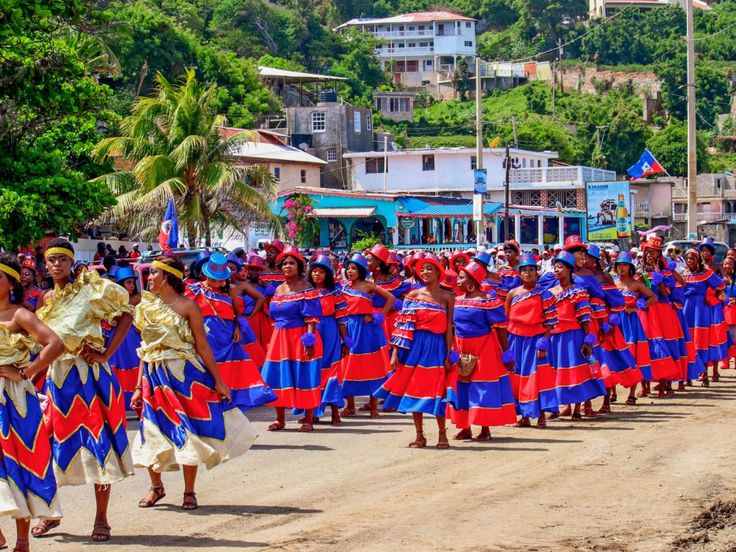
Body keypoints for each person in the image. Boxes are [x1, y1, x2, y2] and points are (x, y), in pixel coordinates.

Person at [130, 256, 257, 511]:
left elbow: (202, 345)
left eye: (154, 273)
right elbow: (145, 349)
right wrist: (136, 387)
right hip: (153, 376)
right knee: (151, 430)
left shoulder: (188, 306)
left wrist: (219, 381)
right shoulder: (144, 307)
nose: (149, 278)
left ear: (167, 277)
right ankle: (156, 487)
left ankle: (189, 491)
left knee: (187, 431)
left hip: (185, 376)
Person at [34, 238, 134, 542]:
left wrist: (106, 353)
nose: (56, 265)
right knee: (46, 447)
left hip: (90, 377)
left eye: (62, 259)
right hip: (58, 377)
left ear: (71, 261)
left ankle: (101, 519)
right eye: (52, 260)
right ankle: (48, 513)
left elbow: (125, 315)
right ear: (46, 264)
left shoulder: (91, 291)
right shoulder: (45, 299)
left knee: (98, 444)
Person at [0, 254, 65, 552]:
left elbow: (55, 343)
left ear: (11, 283)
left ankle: (22, 540)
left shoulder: (20, 315)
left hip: (15, 398)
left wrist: (27, 371)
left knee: (20, 461)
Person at [375, 254, 455, 449]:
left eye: (430, 268)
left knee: (438, 390)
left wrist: (448, 353)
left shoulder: (447, 297)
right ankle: (419, 435)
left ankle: (442, 435)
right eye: (423, 269)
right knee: (414, 389)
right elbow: (403, 327)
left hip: (437, 348)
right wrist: (395, 353)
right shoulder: (413, 296)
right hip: (414, 348)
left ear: (438, 272)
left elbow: (449, 328)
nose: (425, 272)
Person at [185, 253, 276, 411]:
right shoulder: (193, 290)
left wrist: (237, 327)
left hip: (226, 338)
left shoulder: (231, 291)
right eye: (213, 278)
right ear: (205, 274)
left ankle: (227, 403)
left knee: (229, 372)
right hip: (204, 337)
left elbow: (237, 314)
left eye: (220, 279)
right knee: (205, 370)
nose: (217, 282)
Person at [447, 261, 517, 441]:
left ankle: (485, 428)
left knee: (482, 387)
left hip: (484, 349)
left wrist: (506, 352)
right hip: (461, 347)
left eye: (462, 278)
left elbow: (500, 328)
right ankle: (465, 427)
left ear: (472, 280)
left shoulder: (488, 301)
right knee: (461, 386)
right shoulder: (457, 300)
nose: (458, 281)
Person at [260, 246, 323, 432]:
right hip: (280, 338)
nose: (288, 266)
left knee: (304, 375)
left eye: (292, 263)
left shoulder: (306, 288)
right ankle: (280, 420)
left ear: (299, 266)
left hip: (300, 336)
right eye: (284, 263)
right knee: (278, 376)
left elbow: (311, 317)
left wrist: (309, 339)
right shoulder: (278, 289)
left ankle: (308, 419)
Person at [547, 251, 606, 419]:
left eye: (561, 267)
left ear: (570, 270)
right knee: (558, 371)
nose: (557, 270)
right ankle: (561, 405)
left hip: (573, 336)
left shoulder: (578, 291)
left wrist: (588, 340)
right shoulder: (550, 292)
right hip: (555, 337)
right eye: (555, 267)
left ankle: (577, 408)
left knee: (576, 370)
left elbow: (585, 317)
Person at [505, 253, 559, 428]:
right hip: (515, 340)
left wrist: (544, 340)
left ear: (537, 273)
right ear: (519, 274)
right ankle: (524, 415)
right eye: (524, 270)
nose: (528, 273)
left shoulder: (545, 294)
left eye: (531, 269)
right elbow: (506, 320)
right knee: (518, 376)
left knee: (538, 377)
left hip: (536, 339)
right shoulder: (512, 294)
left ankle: (541, 414)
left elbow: (551, 320)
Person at [339, 253, 395, 418]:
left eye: (354, 268)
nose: (350, 271)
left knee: (372, 366)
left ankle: (373, 407)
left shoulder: (369, 286)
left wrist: (379, 316)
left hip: (366, 330)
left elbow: (390, 298)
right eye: (348, 268)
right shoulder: (344, 287)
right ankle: (350, 406)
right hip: (349, 329)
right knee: (349, 366)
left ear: (361, 270)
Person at [638, 237, 686, 398]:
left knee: (664, 345)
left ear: (659, 255)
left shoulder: (666, 272)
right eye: (648, 252)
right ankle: (645, 385)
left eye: (653, 252)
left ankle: (665, 384)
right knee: (645, 345)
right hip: (645, 311)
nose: (650, 255)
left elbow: (665, 295)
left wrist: (658, 277)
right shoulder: (640, 271)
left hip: (662, 311)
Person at [305, 254, 346, 424]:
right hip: (311, 332)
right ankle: (313, 412)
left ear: (328, 274)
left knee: (331, 370)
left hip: (330, 332)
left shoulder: (335, 292)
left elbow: (342, 318)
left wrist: (346, 340)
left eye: (321, 271)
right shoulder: (306, 291)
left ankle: (335, 411)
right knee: (313, 370)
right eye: (314, 270)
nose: (317, 274)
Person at [614, 252, 657, 404]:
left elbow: (653, 298)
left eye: (624, 264)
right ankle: (612, 392)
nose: (621, 267)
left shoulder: (636, 284)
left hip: (631, 324)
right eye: (619, 264)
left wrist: (638, 308)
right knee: (613, 355)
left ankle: (632, 394)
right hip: (615, 323)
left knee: (633, 356)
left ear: (630, 267)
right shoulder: (612, 282)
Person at [682, 248, 728, 386]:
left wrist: (711, 297)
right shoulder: (683, 274)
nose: (690, 261)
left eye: (692, 258)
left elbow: (721, 285)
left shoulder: (706, 274)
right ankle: (688, 375)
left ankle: (704, 374)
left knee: (701, 341)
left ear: (698, 260)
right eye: (688, 258)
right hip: (686, 310)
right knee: (688, 340)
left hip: (701, 310)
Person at [106, 266, 142, 407]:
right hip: (117, 337)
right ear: (120, 284)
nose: (131, 285)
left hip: (133, 335)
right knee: (117, 364)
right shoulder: (113, 300)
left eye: (133, 282)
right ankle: (119, 399)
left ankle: (136, 396)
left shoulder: (138, 299)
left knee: (135, 362)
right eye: (128, 282)